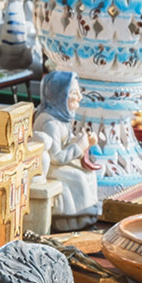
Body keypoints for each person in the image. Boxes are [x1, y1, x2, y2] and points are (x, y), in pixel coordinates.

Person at [33, 71, 101, 231]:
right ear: (59, 96)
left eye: (79, 92)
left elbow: (66, 143)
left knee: (88, 173)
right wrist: (79, 146)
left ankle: (86, 215)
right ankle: (69, 220)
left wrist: (85, 142)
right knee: (76, 177)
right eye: (73, 93)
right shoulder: (50, 123)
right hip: (46, 168)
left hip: (58, 162)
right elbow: (56, 156)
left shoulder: (61, 118)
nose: (79, 97)